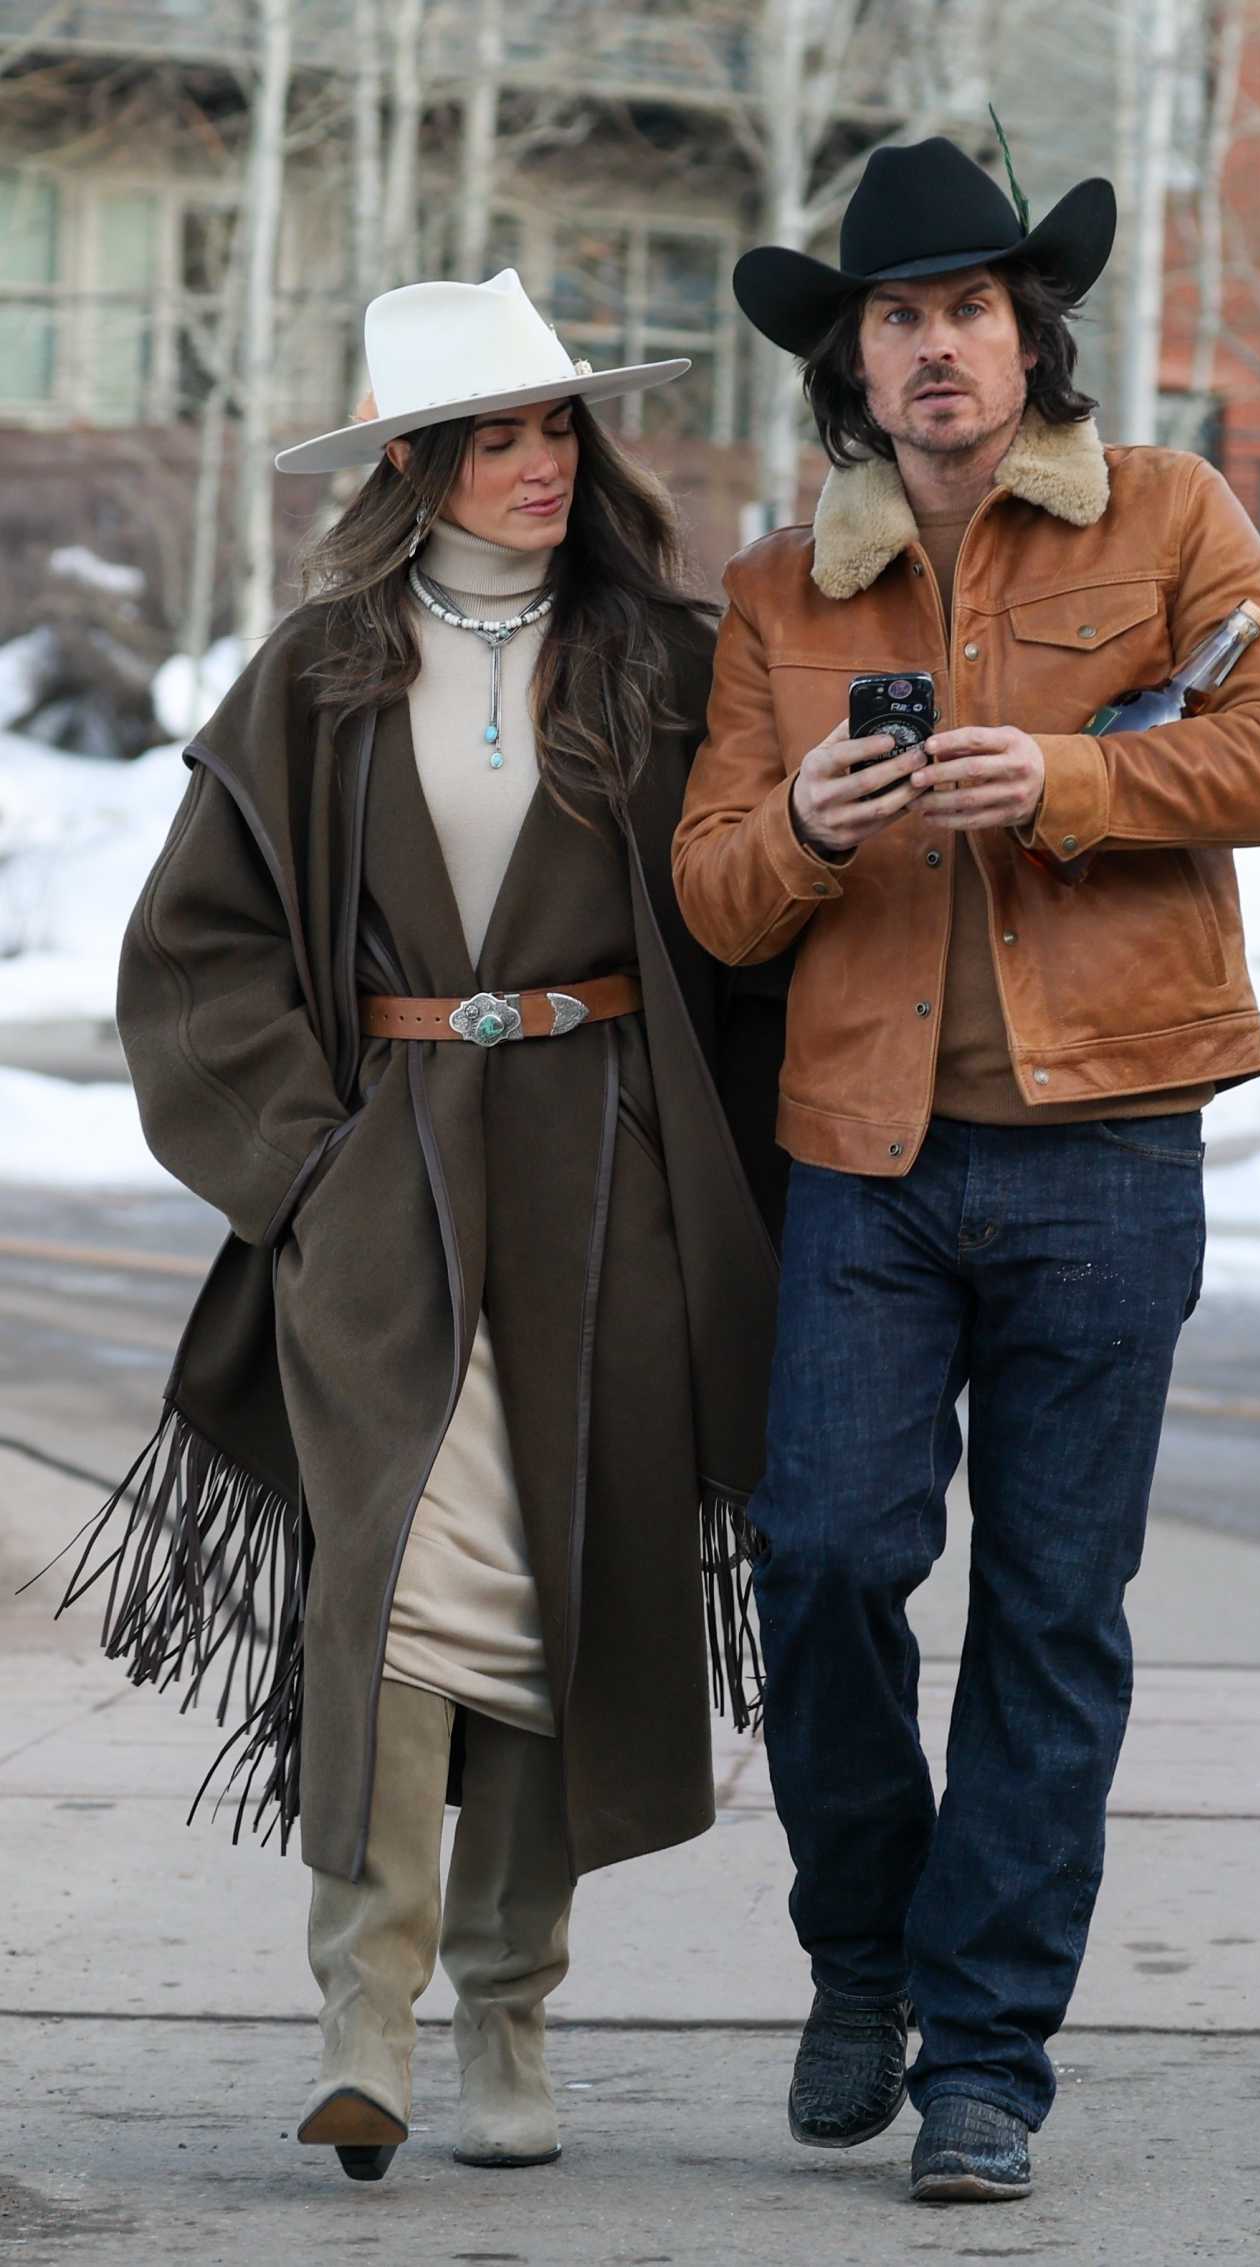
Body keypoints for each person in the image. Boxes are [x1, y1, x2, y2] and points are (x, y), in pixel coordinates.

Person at [672, 134, 1260, 2205]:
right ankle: (861, 1951)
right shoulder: (784, 588)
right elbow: (711, 900)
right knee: (829, 1562)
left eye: (967, 307)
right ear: (852, 366)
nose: (936, 347)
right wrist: (806, 814)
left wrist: (1066, 774)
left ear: (1024, 334)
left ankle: (984, 2058)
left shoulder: (1165, 517)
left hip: (1106, 1154)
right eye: (897, 317)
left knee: (1056, 1618)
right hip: (866, 1168)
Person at [53, 271, 778, 2183]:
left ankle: (511, 2012)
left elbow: (753, 925)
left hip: (606, 1179)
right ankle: (364, 2018)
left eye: (555, 430)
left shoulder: (669, 662)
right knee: (389, 1593)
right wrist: (305, 1169)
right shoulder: (317, 670)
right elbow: (192, 953)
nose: (538, 466)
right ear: (414, 466)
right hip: (381, 1185)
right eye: (492, 437)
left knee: (549, 1593)